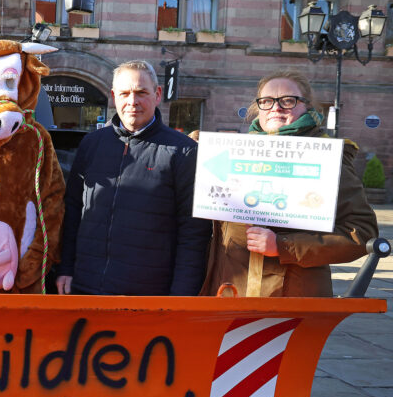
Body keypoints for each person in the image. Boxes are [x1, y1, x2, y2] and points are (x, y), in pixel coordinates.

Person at [200, 70, 377, 297]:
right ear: (258, 107)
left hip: (293, 297)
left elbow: (361, 233)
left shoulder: (326, 156)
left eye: (287, 100)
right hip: (229, 292)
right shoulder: (232, 154)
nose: (276, 107)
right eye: (266, 101)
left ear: (306, 106)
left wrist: (283, 246)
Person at [56, 60, 211, 295]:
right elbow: (73, 211)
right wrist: (65, 267)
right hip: (85, 287)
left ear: (157, 94)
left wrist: (181, 298)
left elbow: (193, 234)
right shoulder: (91, 144)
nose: (132, 101)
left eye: (141, 92)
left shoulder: (185, 151)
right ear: (113, 96)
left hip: (147, 295)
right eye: (125, 93)